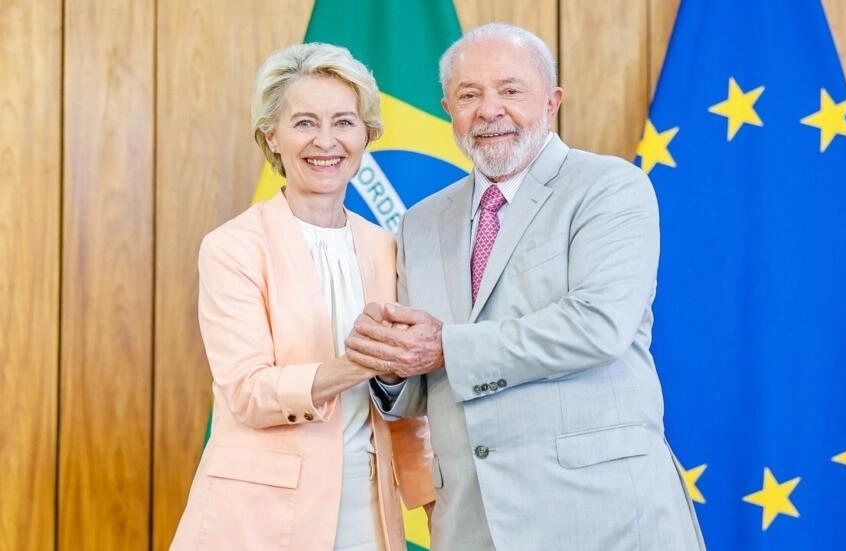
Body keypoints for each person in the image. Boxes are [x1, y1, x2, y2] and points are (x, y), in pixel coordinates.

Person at [345, 22, 705, 551]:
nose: (489, 110)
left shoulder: (610, 189)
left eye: (510, 90)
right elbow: (426, 380)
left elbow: (598, 327)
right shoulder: (420, 223)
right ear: (448, 108)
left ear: (552, 101)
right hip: (473, 520)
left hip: (602, 515)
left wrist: (443, 345)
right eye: (469, 95)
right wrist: (392, 366)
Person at [170, 43, 434, 551]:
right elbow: (247, 391)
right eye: (305, 123)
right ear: (272, 135)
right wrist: (355, 364)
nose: (326, 141)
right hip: (259, 514)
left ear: (366, 134)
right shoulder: (232, 247)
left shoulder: (388, 247)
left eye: (344, 122)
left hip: (371, 510)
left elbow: (405, 399)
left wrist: (433, 504)